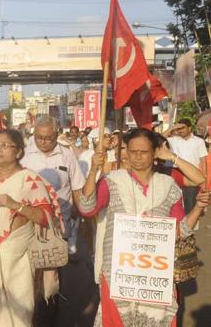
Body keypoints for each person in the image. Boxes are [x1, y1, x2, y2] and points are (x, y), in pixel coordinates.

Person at [79, 128, 208, 326]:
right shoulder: (112, 181)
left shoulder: (168, 184)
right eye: (132, 151)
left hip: (156, 275)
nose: (137, 157)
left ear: (155, 152)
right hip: (118, 272)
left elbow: (180, 231)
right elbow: (87, 208)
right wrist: (93, 171)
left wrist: (198, 207)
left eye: (144, 152)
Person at [0, 129, 58, 327]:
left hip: (17, 260)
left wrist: (15, 205)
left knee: (18, 314)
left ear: (18, 152)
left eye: (5, 145)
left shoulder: (29, 180)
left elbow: (46, 218)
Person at [21, 116, 85, 257]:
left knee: (57, 263)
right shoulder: (24, 155)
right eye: (38, 137)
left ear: (56, 136)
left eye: (48, 138)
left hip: (60, 219)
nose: (42, 142)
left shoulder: (67, 155)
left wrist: (79, 214)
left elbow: (77, 186)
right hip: (31, 219)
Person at [164, 119, 207, 213]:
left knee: (190, 203)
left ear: (190, 128)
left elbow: (203, 161)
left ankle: (189, 225)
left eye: (182, 128)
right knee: (174, 202)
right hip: (176, 173)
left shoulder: (199, 141)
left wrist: (204, 178)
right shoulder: (174, 140)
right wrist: (172, 128)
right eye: (178, 128)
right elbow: (159, 138)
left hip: (192, 175)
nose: (180, 130)